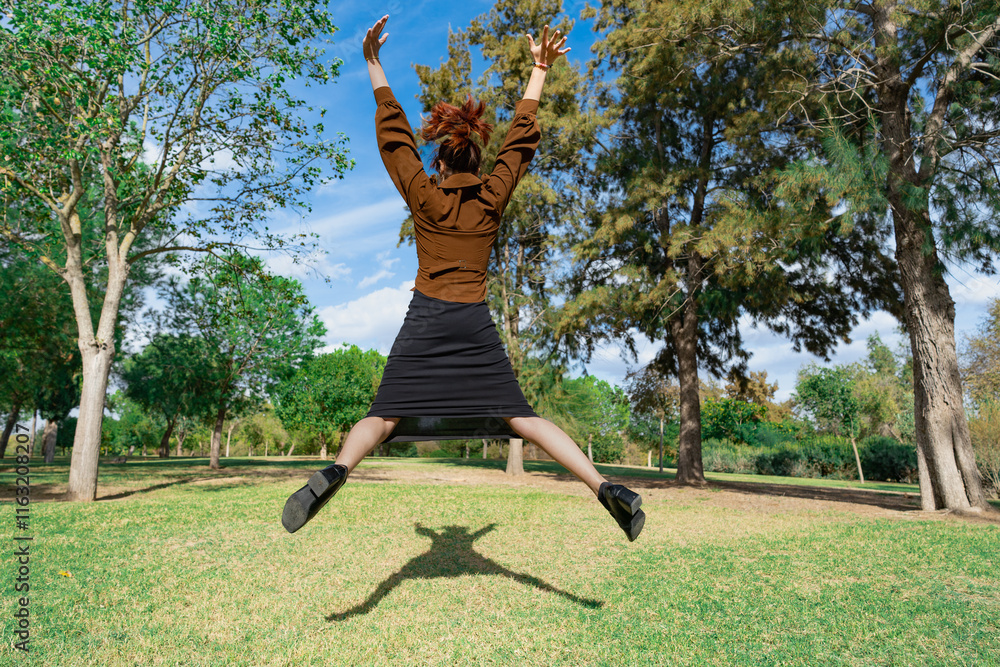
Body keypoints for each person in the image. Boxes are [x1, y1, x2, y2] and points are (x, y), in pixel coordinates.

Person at [282, 15, 645, 542]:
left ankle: (337, 470)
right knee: (521, 417)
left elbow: (396, 142)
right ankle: (605, 487)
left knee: (383, 416)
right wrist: (539, 69)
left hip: (427, 317)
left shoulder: (426, 198)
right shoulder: (492, 199)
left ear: (442, 161)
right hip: (474, 325)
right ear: (476, 158)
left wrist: (374, 64)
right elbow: (519, 146)